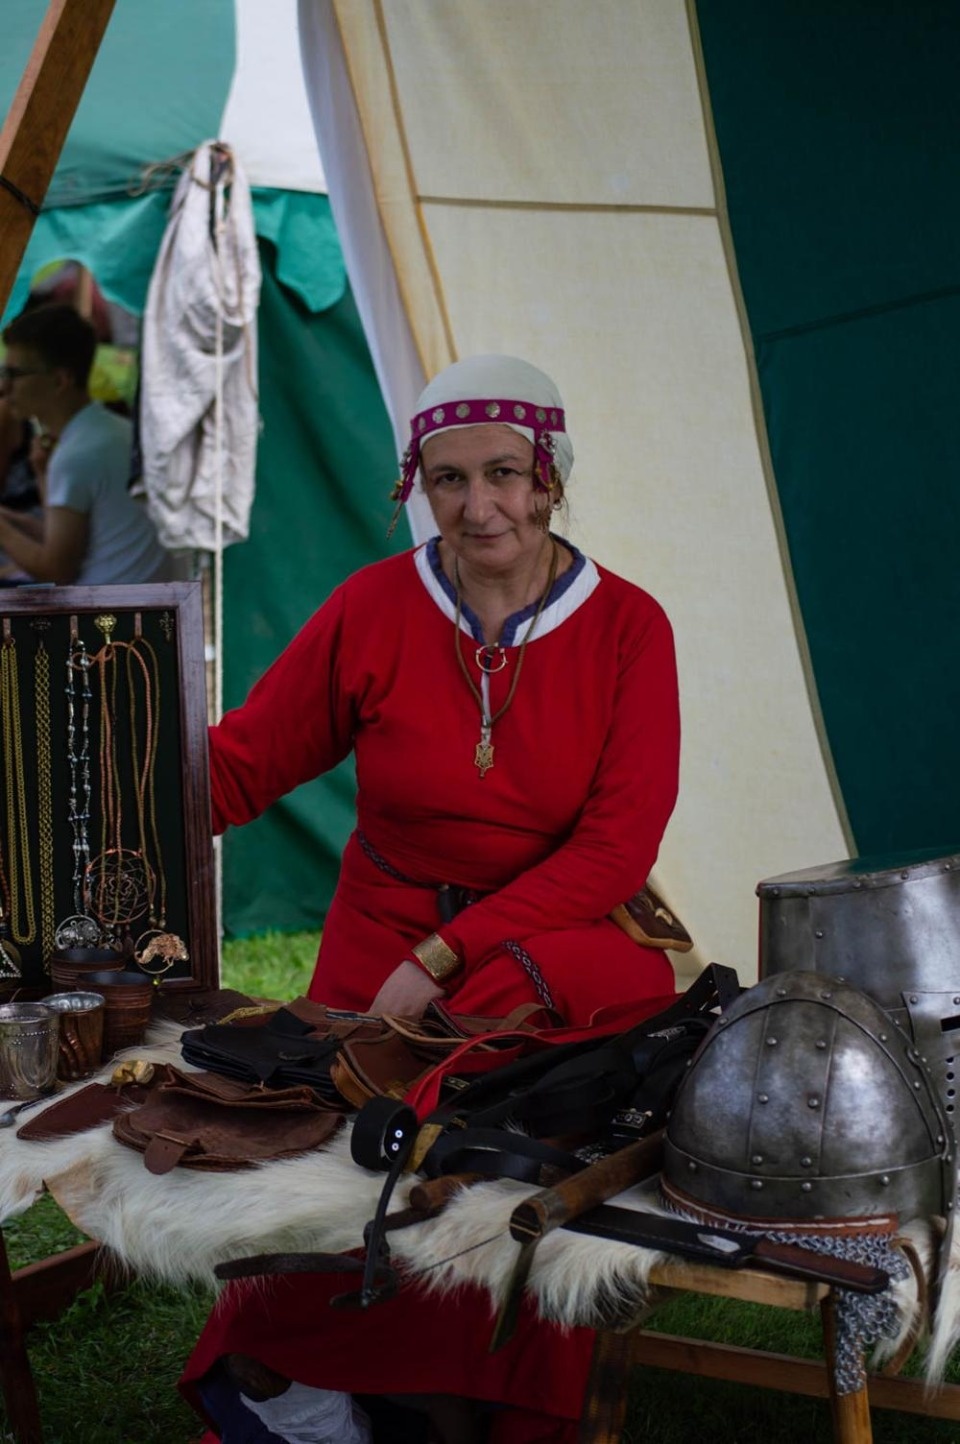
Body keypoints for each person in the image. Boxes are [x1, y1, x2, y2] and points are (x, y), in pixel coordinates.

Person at [181, 354, 682, 1443]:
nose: (478, 504)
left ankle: (478, 1410)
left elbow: (614, 848)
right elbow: (243, 766)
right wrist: (93, 777)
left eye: (504, 473)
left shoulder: (630, 627)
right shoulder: (373, 608)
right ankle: (307, 1393)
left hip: (547, 942)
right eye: (447, 479)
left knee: (518, 1162)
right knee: (325, 1152)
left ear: (549, 480)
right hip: (381, 930)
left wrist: (451, 955)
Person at [0, 303, 170, 585]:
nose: (4, 388)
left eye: (14, 375)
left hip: (110, 613)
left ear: (60, 380)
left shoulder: (77, 455)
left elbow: (57, 571)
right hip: (145, 598)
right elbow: (65, 538)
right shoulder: (109, 430)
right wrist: (42, 475)